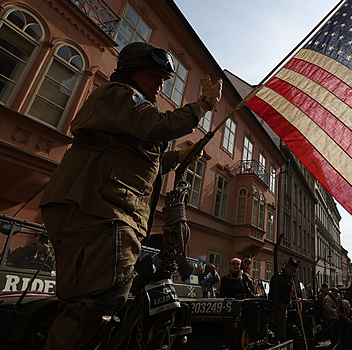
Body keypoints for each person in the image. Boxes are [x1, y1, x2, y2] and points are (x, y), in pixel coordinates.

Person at [38, 41, 222, 350]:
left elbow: (137, 160)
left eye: (162, 78)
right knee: (95, 306)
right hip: (102, 211)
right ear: (130, 72)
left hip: (97, 209)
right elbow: (156, 126)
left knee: (88, 304)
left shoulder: (124, 107)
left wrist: (175, 158)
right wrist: (202, 106)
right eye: (153, 75)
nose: (159, 84)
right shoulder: (122, 95)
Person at [269, 257, 299, 343]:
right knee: (276, 327)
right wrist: (273, 310)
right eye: (293, 270)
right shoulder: (279, 277)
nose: (294, 273)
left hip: (284, 306)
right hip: (278, 306)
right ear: (289, 268)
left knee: (282, 328)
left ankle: (282, 340)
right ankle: (275, 341)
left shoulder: (287, 278)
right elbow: (273, 294)